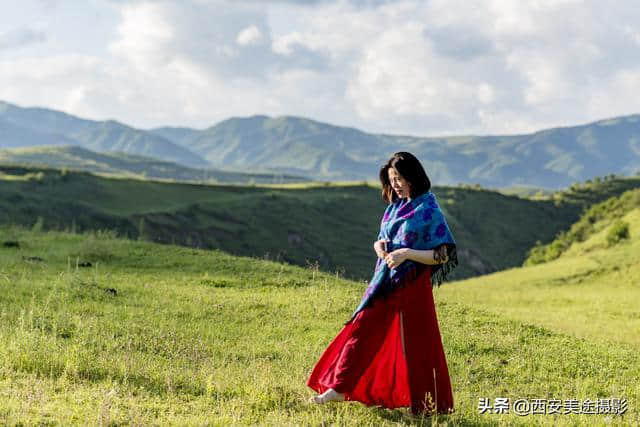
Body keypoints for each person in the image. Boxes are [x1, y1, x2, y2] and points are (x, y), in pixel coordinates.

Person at [306, 151, 457, 416]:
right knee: (362, 328)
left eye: (399, 178)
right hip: (384, 282)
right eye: (391, 179)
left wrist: (407, 253)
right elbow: (383, 238)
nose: (396, 184)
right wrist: (379, 246)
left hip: (412, 284)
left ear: (413, 176)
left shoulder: (428, 209)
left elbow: (442, 255)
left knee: (417, 342)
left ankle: (424, 406)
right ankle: (340, 388)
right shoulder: (394, 207)